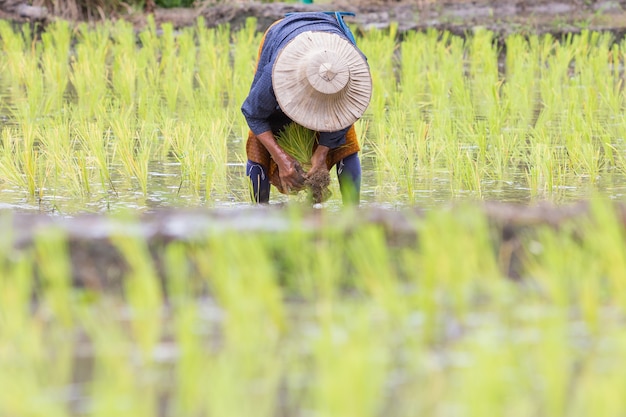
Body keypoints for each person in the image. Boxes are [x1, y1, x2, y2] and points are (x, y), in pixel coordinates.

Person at [241, 11, 372, 205]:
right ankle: (259, 214)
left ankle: (352, 215)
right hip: (283, 38)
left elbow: (350, 111)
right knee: (259, 142)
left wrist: (322, 153)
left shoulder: (353, 68)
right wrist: (281, 158)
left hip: (331, 49)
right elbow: (254, 114)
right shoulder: (274, 73)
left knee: (345, 142)